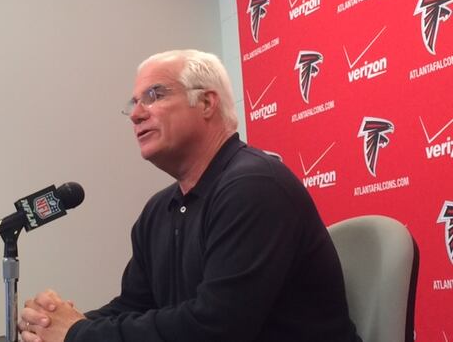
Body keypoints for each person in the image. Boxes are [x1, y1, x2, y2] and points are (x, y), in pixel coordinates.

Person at [18, 49, 361, 342]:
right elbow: (134, 306)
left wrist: (78, 334)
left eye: (154, 95)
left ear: (207, 102)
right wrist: (52, 325)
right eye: (134, 103)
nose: (136, 114)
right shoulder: (158, 210)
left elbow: (216, 327)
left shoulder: (254, 186)